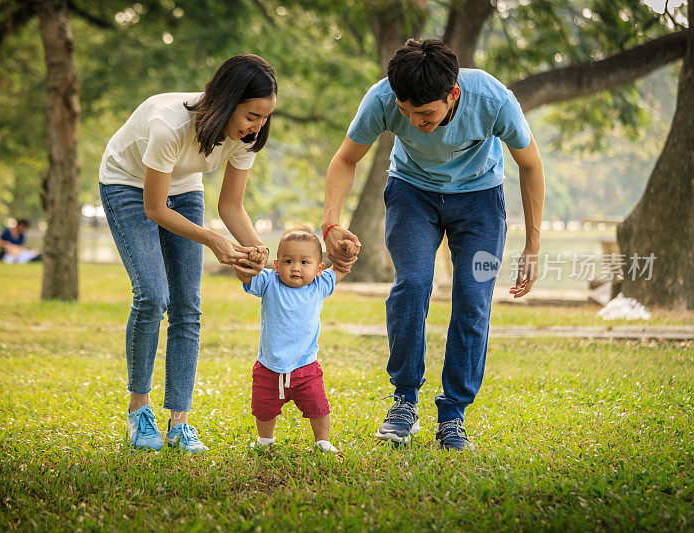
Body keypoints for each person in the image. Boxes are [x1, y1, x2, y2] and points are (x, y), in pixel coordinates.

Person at [322, 39, 545, 450]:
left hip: (481, 200)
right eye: (406, 113)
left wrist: (532, 245)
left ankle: (453, 413)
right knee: (413, 285)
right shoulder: (383, 99)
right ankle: (404, 398)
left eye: (425, 114)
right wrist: (330, 223)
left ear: (453, 94)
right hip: (411, 193)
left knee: (473, 298)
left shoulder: (493, 100)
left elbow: (529, 164)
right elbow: (345, 159)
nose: (415, 122)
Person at [99, 54, 276, 453]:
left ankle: (179, 422)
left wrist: (258, 251)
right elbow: (155, 209)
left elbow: (231, 206)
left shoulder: (245, 138)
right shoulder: (168, 125)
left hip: (184, 187)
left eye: (265, 117)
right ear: (229, 100)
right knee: (151, 295)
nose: (257, 126)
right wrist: (213, 240)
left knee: (188, 306)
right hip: (127, 185)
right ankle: (139, 410)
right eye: (252, 115)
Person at [236, 227, 353, 452]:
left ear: (319, 268)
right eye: (288, 261)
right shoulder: (269, 283)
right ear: (277, 264)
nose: (295, 268)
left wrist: (345, 252)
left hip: (306, 367)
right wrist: (246, 263)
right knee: (263, 408)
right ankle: (265, 440)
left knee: (319, 406)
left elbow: (341, 268)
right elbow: (246, 276)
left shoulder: (320, 285)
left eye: (304, 262)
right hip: (269, 367)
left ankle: (323, 442)